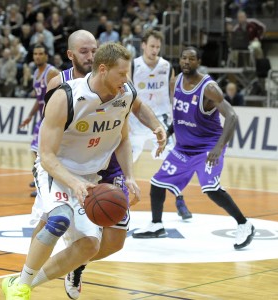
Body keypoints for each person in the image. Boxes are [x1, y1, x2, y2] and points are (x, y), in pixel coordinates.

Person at [2, 42, 141, 300]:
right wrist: (73, 184)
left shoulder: (126, 94)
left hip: (89, 176)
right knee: (59, 218)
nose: (127, 79)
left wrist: (130, 176)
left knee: (90, 245)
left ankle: (19, 283)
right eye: (122, 73)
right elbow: (46, 156)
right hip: (55, 169)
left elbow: (122, 139)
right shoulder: (65, 97)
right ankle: (20, 288)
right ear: (103, 70)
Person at [41, 29, 166, 300]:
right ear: (71, 54)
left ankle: (76, 264)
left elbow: (137, 105)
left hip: (108, 161)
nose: (90, 54)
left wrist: (156, 125)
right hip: (73, 161)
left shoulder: (117, 79)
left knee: (115, 240)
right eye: (84, 51)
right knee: (49, 221)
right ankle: (26, 277)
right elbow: (48, 132)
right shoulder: (60, 85)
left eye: (93, 49)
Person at [132, 46, 255, 251]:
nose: (186, 62)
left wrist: (218, 147)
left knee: (211, 188)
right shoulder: (175, 82)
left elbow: (232, 116)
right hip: (184, 148)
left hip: (207, 147)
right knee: (157, 183)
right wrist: (168, 134)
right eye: (183, 58)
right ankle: (156, 224)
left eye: (191, 59)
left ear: (198, 62)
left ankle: (244, 224)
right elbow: (180, 116)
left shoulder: (209, 88)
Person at [129, 29, 192, 220]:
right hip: (138, 121)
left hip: (160, 121)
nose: (155, 50)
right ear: (143, 45)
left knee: (172, 162)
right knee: (124, 163)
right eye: (152, 46)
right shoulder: (133, 65)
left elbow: (174, 93)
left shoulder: (167, 66)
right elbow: (127, 93)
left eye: (158, 47)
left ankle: (180, 200)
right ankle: (119, 199)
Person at [19, 43, 59, 197]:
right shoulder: (36, 72)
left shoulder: (52, 72)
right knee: (36, 151)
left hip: (51, 117)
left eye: (40, 53)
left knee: (42, 152)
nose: (37, 56)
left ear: (46, 56)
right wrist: (29, 116)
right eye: (35, 54)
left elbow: (62, 94)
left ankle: (45, 183)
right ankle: (40, 178)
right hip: (42, 117)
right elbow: (39, 99)